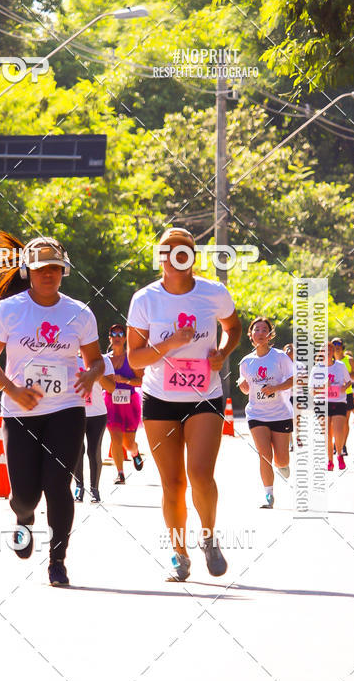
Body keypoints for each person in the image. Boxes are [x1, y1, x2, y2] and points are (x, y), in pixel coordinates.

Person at [0, 231, 104, 587]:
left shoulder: (79, 313)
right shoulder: (8, 311)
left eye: (54, 268)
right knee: (25, 494)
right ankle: (23, 517)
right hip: (20, 412)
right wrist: (14, 390)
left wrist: (91, 375)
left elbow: (95, 361)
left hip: (67, 408)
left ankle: (57, 560)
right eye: (41, 268)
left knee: (58, 484)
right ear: (27, 272)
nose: (48, 274)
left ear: (64, 271)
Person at [127, 226, 241, 581]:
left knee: (200, 475)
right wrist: (171, 343)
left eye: (182, 251)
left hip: (204, 395)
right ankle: (179, 553)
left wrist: (223, 352)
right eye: (166, 250)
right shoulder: (145, 299)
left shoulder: (213, 292)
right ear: (159, 256)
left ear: (192, 256)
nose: (174, 257)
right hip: (159, 398)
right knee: (173, 483)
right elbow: (134, 358)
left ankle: (208, 537)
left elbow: (234, 327)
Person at [238, 320, 294, 509]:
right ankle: (269, 494)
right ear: (250, 335)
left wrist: (276, 388)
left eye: (264, 330)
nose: (260, 333)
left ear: (270, 335)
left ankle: (283, 464)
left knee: (281, 459)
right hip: (256, 414)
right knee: (264, 455)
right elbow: (246, 389)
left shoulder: (280, 357)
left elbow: (295, 379)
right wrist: (243, 386)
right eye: (256, 329)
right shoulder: (246, 362)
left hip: (280, 414)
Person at [104, 323, 144, 484]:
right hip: (111, 403)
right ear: (109, 338)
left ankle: (135, 451)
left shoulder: (131, 358)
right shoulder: (105, 359)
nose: (117, 337)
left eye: (120, 334)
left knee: (128, 443)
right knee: (115, 438)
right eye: (114, 334)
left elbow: (141, 380)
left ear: (125, 338)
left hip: (130, 404)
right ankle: (120, 474)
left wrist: (125, 380)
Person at [74, 352, 115, 503]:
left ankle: (94, 490)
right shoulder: (70, 357)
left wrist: (96, 373)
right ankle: (79, 487)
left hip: (97, 414)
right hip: (75, 413)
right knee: (77, 451)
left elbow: (111, 388)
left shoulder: (104, 360)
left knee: (93, 451)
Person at [309, 341, 351, 470]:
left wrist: (344, 387)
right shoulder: (316, 369)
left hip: (339, 401)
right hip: (321, 402)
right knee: (327, 433)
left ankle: (339, 455)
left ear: (333, 352)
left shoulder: (340, 366)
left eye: (329, 350)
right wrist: (323, 387)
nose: (327, 352)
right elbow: (311, 391)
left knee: (338, 431)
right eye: (324, 350)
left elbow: (349, 382)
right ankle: (330, 460)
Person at [331, 337, 354, 455]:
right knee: (332, 423)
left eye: (339, 345)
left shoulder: (349, 360)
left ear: (342, 347)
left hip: (346, 394)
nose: (336, 347)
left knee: (344, 421)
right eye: (334, 345)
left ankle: (342, 445)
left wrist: (344, 374)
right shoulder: (328, 360)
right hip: (331, 395)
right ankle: (336, 443)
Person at [282, 343, 305, 450]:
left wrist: (297, 381)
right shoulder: (281, 364)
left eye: (292, 349)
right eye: (288, 349)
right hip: (285, 396)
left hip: (298, 395)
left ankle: (298, 436)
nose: (290, 351)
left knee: (297, 418)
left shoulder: (300, 365)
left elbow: (305, 380)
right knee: (288, 418)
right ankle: (290, 442)